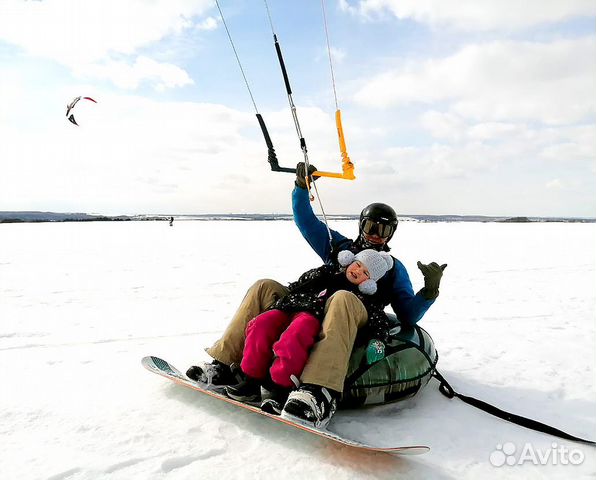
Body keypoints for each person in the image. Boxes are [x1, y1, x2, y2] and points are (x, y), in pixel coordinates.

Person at [187, 162, 446, 428]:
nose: (375, 235)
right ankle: (226, 364)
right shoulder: (339, 247)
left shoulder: (393, 269)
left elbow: (406, 315)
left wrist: (428, 291)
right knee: (264, 286)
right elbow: (306, 221)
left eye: (383, 230)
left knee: (343, 299)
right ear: (361, 225)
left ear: (391, 233)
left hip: (353, 316)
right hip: (312, 303)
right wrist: (302, 188)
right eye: (370, 227)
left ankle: (319, 391)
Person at [223, 248, 394, 415]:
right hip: (289, 307)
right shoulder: (327, 273)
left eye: (365, 272)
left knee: (294, 336)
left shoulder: (362, 297)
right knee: (261, 324)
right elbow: (299, 283)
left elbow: (378, 319)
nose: (358, 271)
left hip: (313, 316)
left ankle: (281, 388)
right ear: (349, 260)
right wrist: (317, 273)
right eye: (357, 264)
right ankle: (250, 379)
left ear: (368, 283)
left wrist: (378, 339)